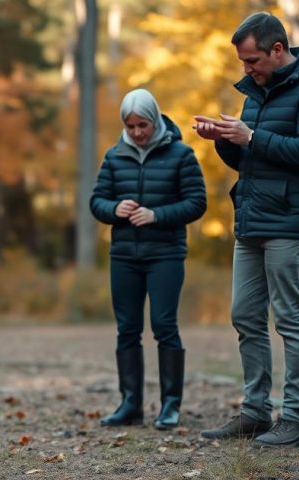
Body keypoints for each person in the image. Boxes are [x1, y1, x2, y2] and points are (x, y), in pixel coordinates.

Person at [194, 12, 299, 446]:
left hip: (291, 222)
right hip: (252, 219)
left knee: (290, 321)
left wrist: (252, 136)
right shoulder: (255, 93)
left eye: (253, 59)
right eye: (242, 61)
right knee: (244, 316)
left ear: (279, 50)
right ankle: (256, 413)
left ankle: (294, 419)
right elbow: (249, 161)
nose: (247, 69)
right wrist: (224, 140)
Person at [90, 88, 207, 430]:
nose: (138, 132)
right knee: (127, 329)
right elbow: (97, 202)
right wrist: (114, 209)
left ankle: (170, 404)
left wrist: (156, 215)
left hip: (165, 254)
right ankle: (130, 404)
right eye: (131, 126)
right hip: (124, 255)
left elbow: (197, 203)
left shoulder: (181, 155)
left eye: (143, 124)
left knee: (164, 326)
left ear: (155, 120)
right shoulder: (114, 156)